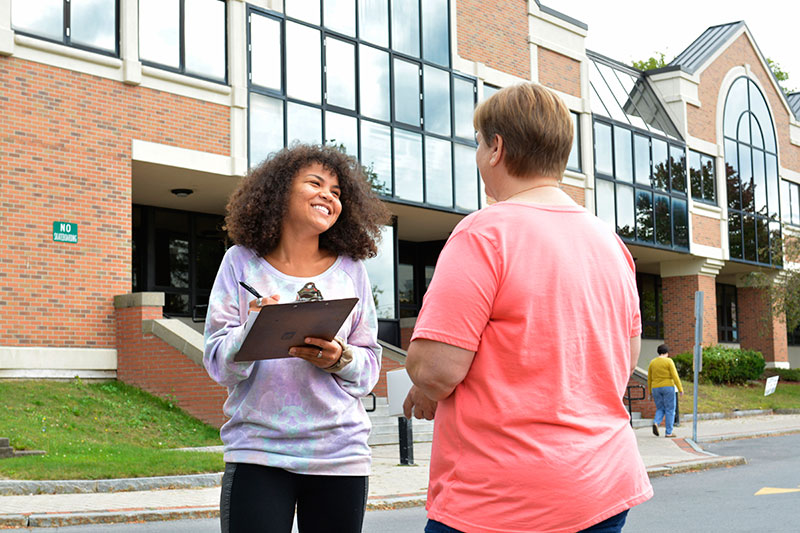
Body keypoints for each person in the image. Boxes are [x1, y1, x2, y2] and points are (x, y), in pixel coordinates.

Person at [402, 83, 653, 533]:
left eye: (479, 143)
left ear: (496, 147)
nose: (478, 155)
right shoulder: (610, 242)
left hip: (503, 497)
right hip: (604, 483)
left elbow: (436, 370)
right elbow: (623, 363)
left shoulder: (484, 232)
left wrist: (426, 384)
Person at [203, 144, 391, 533]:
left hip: (340, 455)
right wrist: (248, 332)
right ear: (280, 191)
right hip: (258, 452)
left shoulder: (352, 271)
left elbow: (370, 368)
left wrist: (339, 358)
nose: (328, 196)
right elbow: (220, 366)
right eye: (315, 183)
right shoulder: (240, 262)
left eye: (337, 192)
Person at [647, 344, 684, 438]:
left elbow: (649, 378)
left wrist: (650, 392)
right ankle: (669, 432)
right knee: (670, 409)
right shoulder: (669, 361)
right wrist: (680, 389)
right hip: (668, 387)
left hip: (655, 388)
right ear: (666, 353)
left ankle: (656, 422)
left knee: (660, 408)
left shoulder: (652, 362)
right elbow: (675, 375)